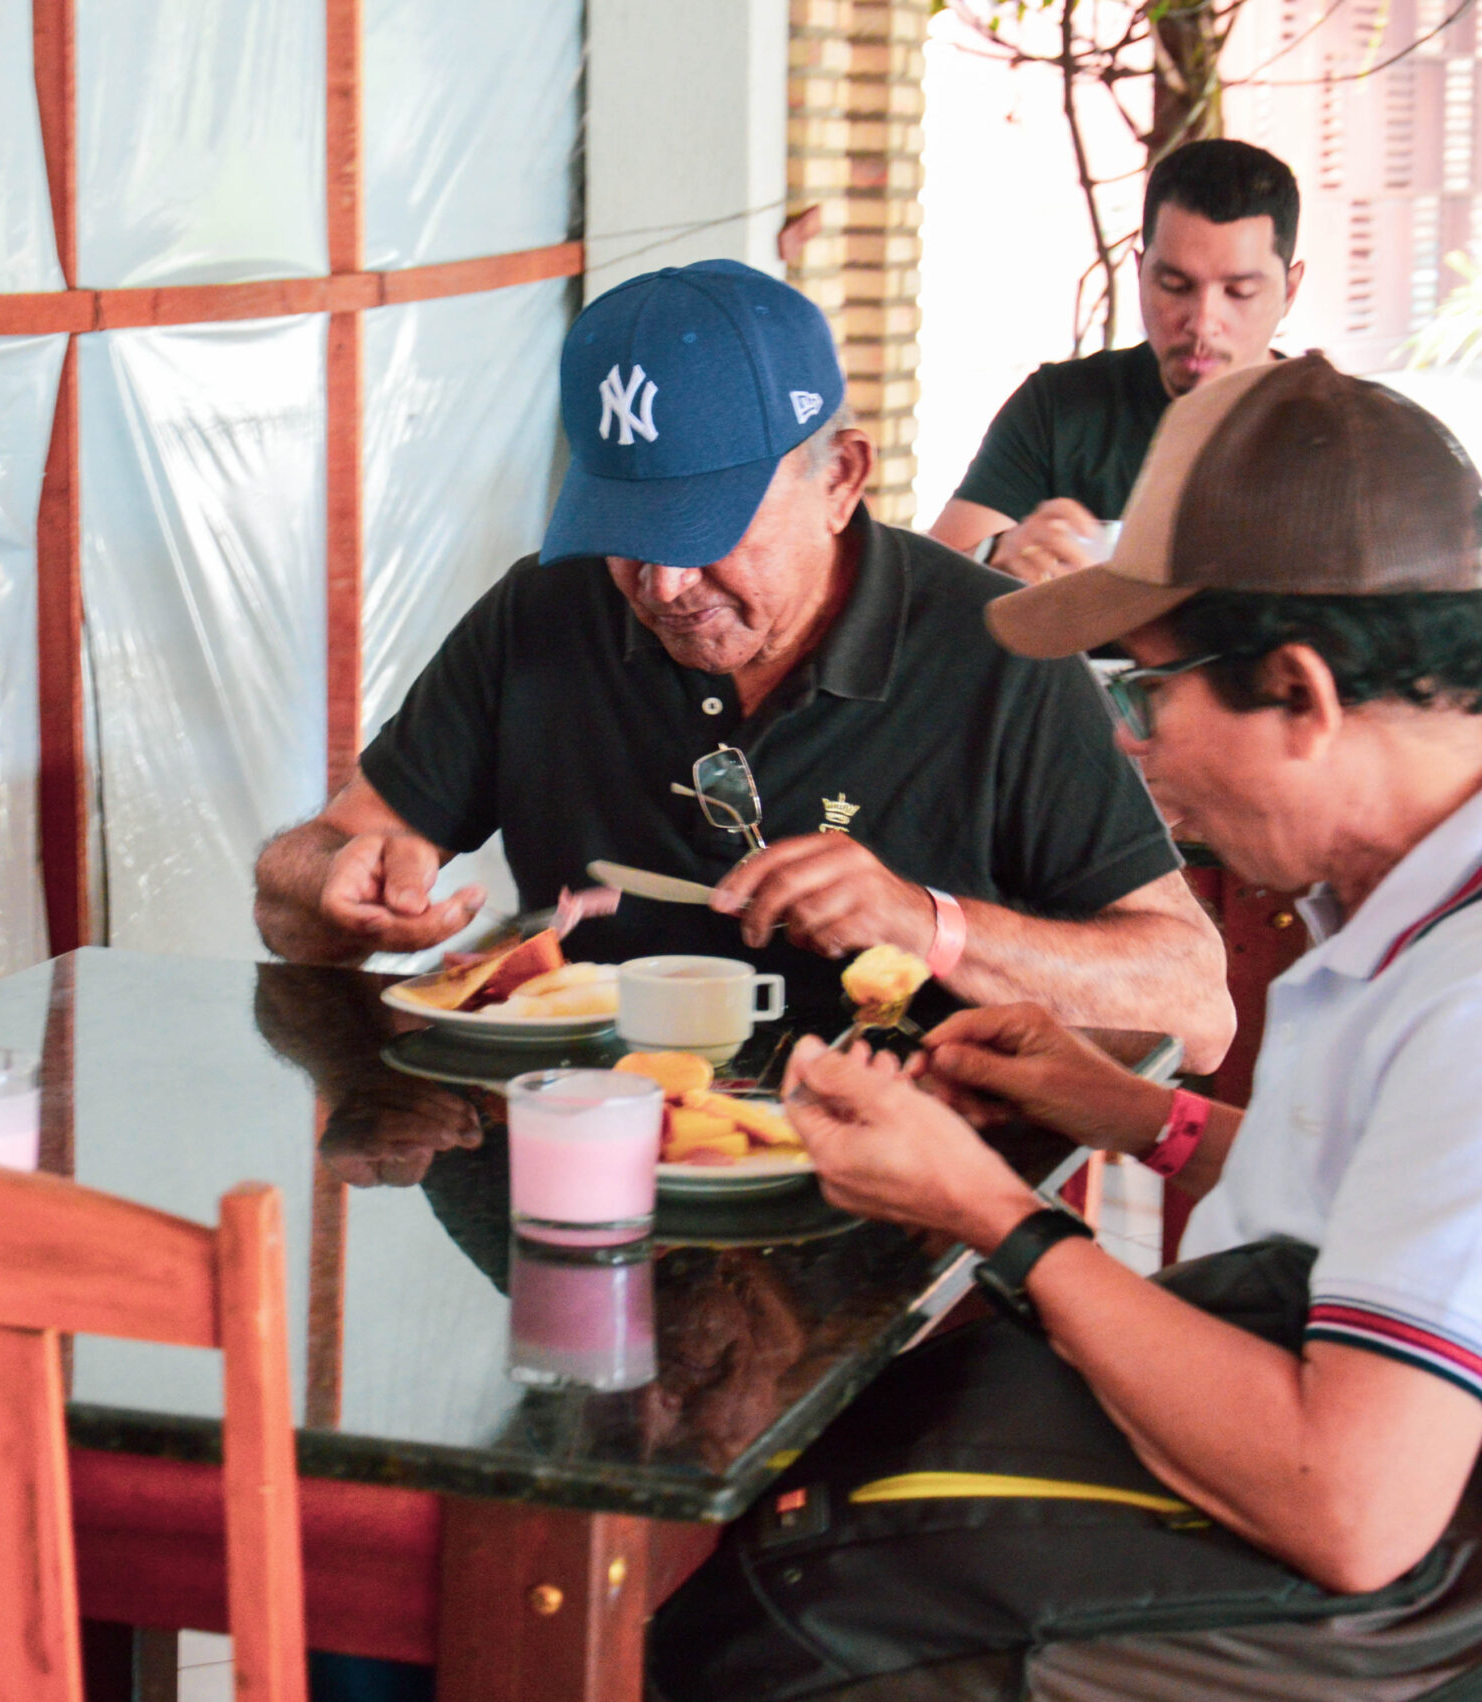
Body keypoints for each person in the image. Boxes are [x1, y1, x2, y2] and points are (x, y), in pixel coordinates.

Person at [655, 355, 1482, 1699]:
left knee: (765, 1633)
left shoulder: (1467, 999)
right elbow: (1383, 1203)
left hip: (1366, 1613)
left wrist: (992, 1210)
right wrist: (1136, 1113)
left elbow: (1350, 1507)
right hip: (1292, 1479)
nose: (1134, 744)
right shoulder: (1401, 908)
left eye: (1147, 691)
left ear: (1301, 695)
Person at [253, 259, 1234, 1062]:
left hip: (905, 1184)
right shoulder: (541, 614)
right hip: (580, 1154)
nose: (664, 583)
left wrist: (926, 925)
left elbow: (1196, 1013)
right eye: (626, 531)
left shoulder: (998, 650)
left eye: (704, 527)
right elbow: (293, 898)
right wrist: (339, 887)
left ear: (841, 478)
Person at [930, 137, 1305, 583]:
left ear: (1290, 291)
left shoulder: (1339, 438)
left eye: (1239, 292)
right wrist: (994, 557)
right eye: (1175, 286)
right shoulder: (1060, 409)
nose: (1203, 322)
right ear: (1140, 273)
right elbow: (929, 584)